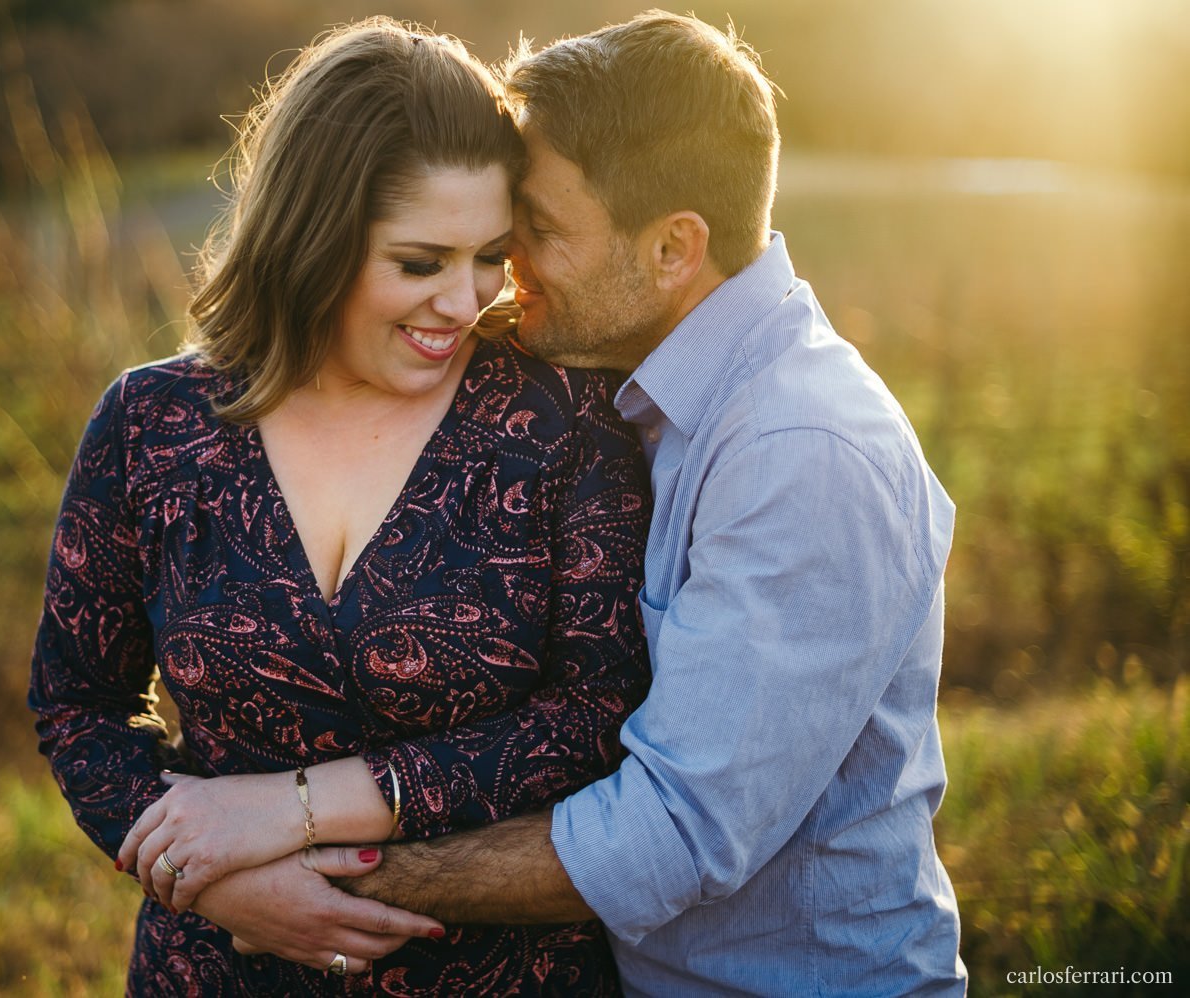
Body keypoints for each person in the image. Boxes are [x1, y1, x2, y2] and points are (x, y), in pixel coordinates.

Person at [263, 11, 968, 995]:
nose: (509, 270)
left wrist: (330, 878)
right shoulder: (649, 379)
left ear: (676, 248)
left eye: (540, 231)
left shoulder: (802, 453)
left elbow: (673, 833)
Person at [27, 17, 651, 996]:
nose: (465, 300)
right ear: (313, 235)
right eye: (420, 261)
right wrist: (223, 886)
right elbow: (78, 706)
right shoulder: (152, 427)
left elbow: (596, 716)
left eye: (490, 254)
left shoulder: (563, 423)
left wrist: (299, 810)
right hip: (217, 972)